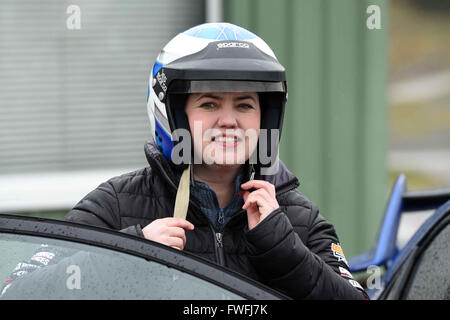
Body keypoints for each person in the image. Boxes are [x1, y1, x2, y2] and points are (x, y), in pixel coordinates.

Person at [6, 23, 368, 300]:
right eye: (209, 104)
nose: (229, 120)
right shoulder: (115, 205)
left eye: (245, 104)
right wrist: (131, 252)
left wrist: (281, 247)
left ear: (266, 117)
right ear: (172, 114)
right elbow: (18, 291)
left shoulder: (295, 216)